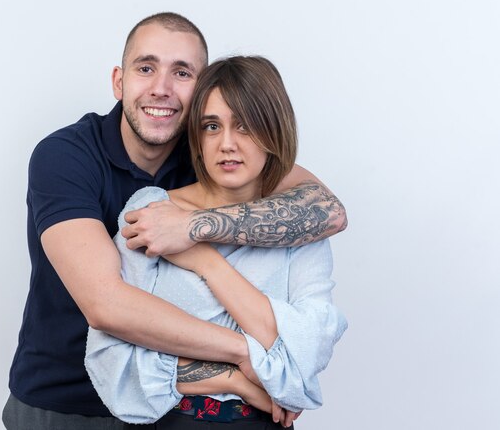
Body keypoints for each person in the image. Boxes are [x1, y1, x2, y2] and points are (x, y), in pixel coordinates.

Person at [3, 12, 347, 430]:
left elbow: (327, 210)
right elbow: (106, 305)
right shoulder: (66, 156)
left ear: (201, 92)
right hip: (64, 402)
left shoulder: (214, 152)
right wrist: (245, 358)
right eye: (146, 68)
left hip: (170, 409)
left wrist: (191, 231)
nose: (162, 88)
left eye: (181, 73)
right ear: (119, 81)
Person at [85, 56, 347, 429]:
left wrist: (205, 261)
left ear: (274, 131)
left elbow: (302, 362)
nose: (227, 144)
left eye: (245, 126)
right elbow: (112, 360)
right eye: (211, 126)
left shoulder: (299, 226)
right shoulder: (152, 212)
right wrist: (238, 376)